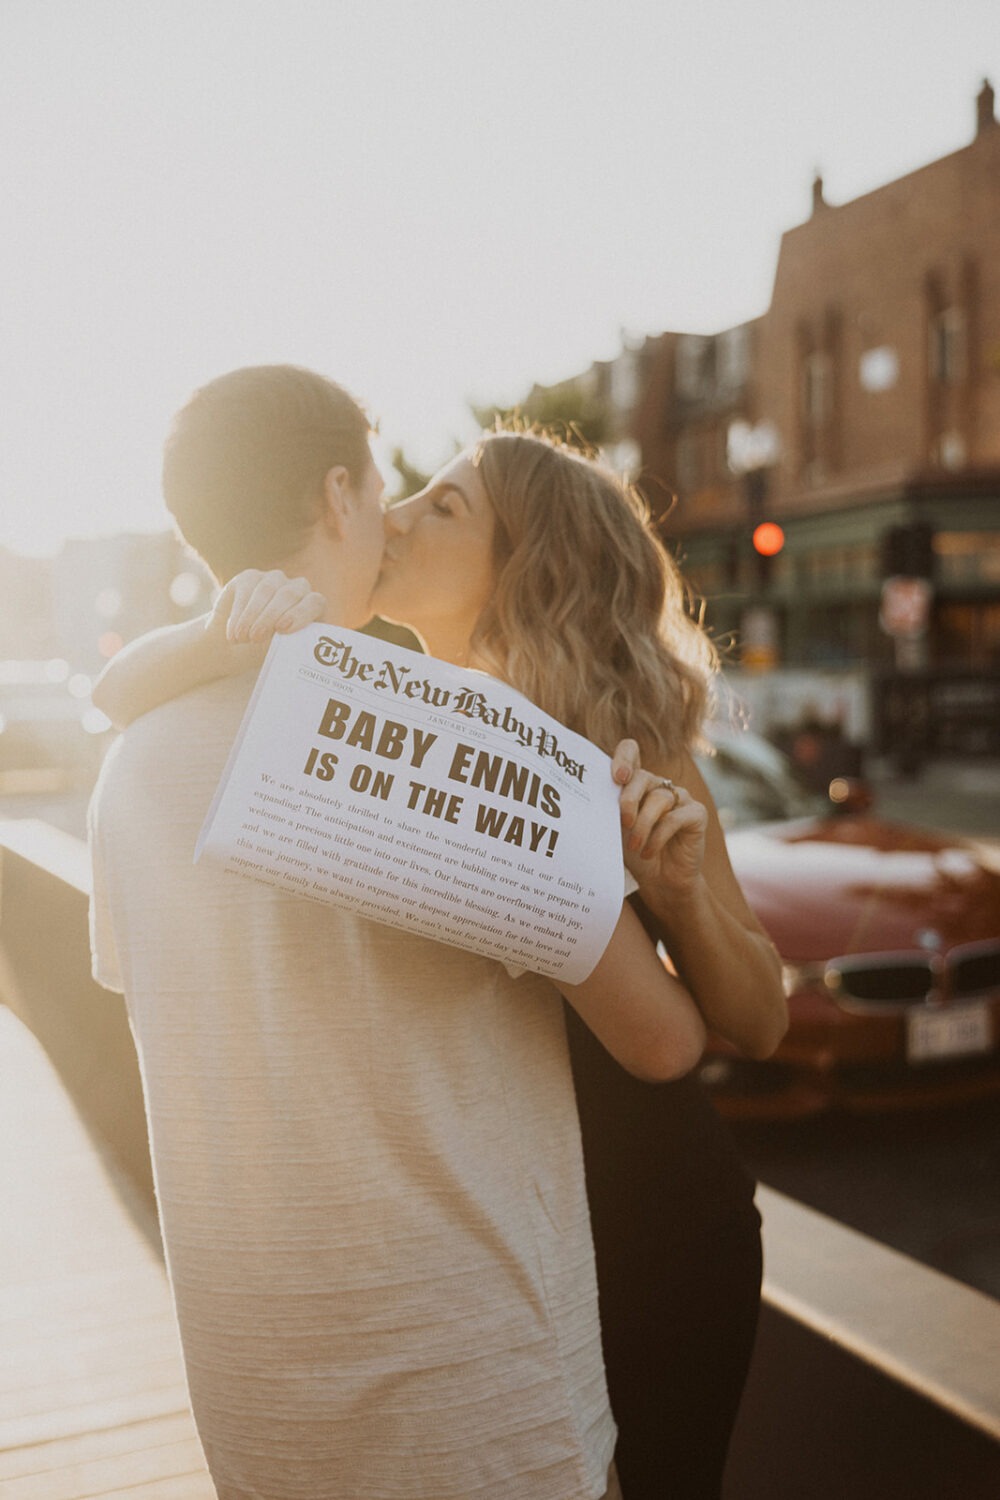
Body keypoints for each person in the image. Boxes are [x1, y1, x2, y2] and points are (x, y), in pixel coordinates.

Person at [97, 411, 788, 1499]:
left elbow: (752, 1024)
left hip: (652, 1212)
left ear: (524, 566)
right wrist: (210, 636)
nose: (399, 518)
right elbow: (125, 697)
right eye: (402, 496)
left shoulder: (620, 738)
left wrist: (678, 896)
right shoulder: (388, 725)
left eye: (445, 506)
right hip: (501, 1227)